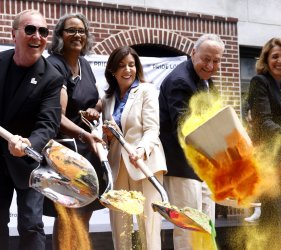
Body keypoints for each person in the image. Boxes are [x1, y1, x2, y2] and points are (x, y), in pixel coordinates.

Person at [0, 10, 63, 250]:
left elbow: (48, 123)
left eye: (43, 31)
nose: (37, 36)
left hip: (28, 160)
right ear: (13, 34)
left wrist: (27, 144)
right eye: (29, 30)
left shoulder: (51, 78)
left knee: (31, 224)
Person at [42, 13, 106, 249]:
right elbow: (57, 116)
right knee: (67, 213)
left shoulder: (86, 64)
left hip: (87, 150)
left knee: (85, 209)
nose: (77, 35)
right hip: (66, 150)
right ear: (60, 35)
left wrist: (94, 110)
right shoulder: (54, 65)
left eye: (82, 30)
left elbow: (95, 100)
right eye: (71, 30)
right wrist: (85, 134)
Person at [159, 33, 225, 249]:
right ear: (193, 52)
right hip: (183, 168)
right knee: (188, 230)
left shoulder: (206, 81)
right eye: (206, 59)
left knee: (206, 226)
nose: (210, 65)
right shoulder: (181, 81)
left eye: (216, 61)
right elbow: (184, 129)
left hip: (203, 166)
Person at [101, 45, 167, 250]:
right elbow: (110, 138)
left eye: (131, 65)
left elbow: (152, 129)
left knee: (148, 226)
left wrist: (141, 150)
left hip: (145, 163)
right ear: (113, 70)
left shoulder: (147, 90)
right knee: (120, 228)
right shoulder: (107, 99)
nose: (127, 70)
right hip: (118, 167)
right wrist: (108, 136)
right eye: (121, 66)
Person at [247, 37, 281, 249]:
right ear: (266, 59)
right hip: (270, 161)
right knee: (273, 217)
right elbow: (263, 123)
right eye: (274, 56)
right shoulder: (259, 82)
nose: (280, 61)